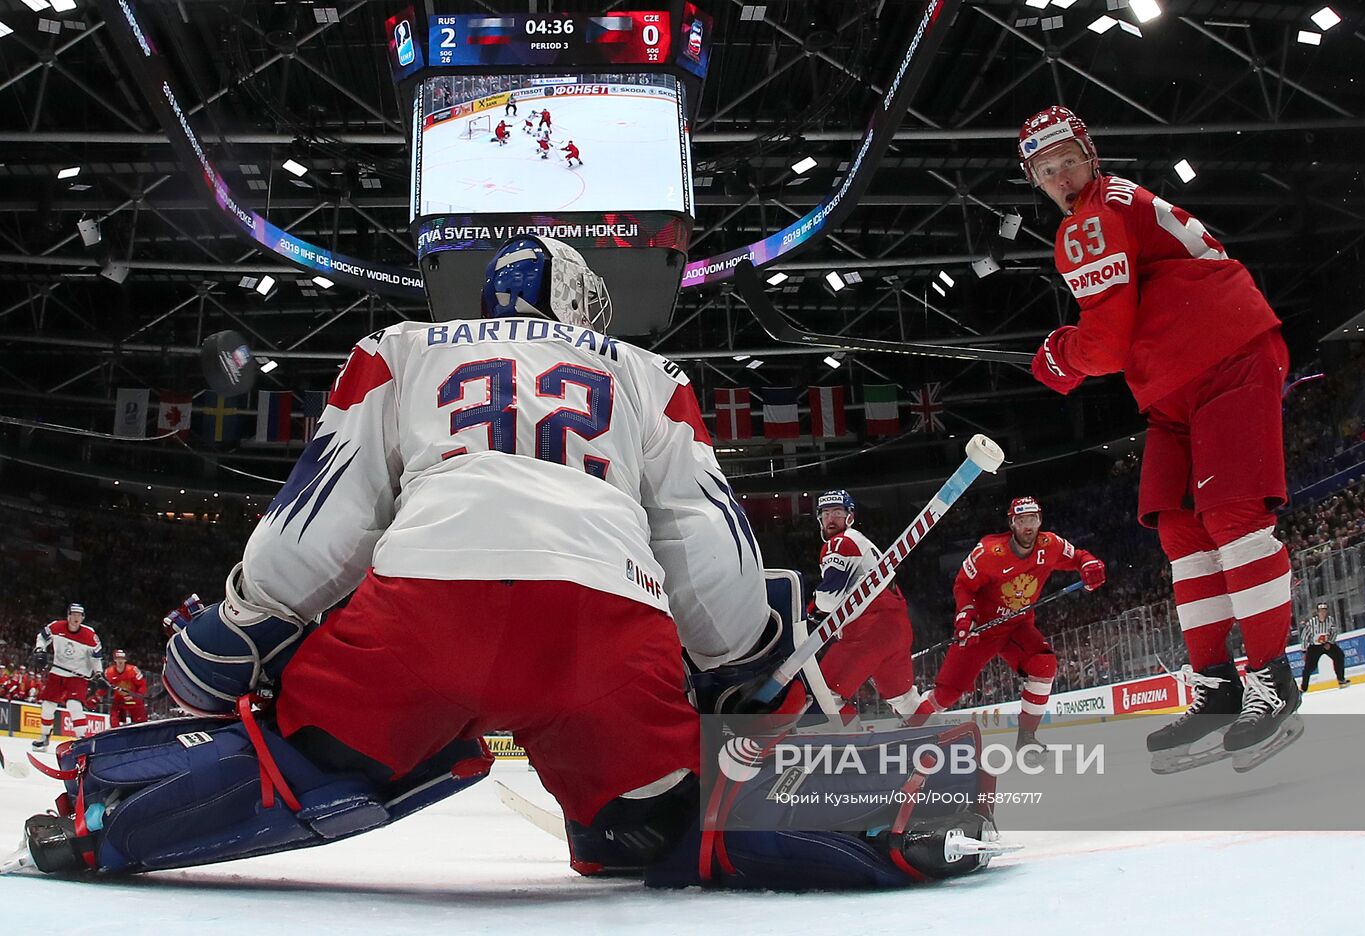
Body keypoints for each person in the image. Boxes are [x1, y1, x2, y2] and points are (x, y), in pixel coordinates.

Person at [15, 237, 1002, 888]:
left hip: (421, 617)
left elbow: (323, 516)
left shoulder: (397, 346)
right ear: (579, 307)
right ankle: (890, 809)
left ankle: (106, 817)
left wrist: (256, 616)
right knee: (657, 820)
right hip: (603, 631)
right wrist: (739, 659)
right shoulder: (648, 373)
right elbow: (709, 551)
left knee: (309, 752)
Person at [1018, 105, 1301, 770]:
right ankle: (1217, 688)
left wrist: (1060, 358)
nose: (1058, 175)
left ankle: (1272, 679)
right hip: (1176, 384)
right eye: (1043, 169)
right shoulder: (1107, 207)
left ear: (1089, 154)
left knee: (1232, 517)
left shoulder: (1092, 219)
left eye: (1065, 160)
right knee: (1178, 525)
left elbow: (1108, 344)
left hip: (1226, 357)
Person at [931, 497, 1105, 761]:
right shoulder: (989, 552)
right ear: (1012, 523)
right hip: (984, 629)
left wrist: (1090, 564)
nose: (1028, 526)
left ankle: (1027, 738)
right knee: (947, 694)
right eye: (1022, 520)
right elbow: (963, 585)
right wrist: (966, 616)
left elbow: (1079, 557)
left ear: (1040, 521)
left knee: (1044, 664)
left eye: (1033, 519)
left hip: (1018, 626)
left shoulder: (1051, 544)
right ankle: (908, 728)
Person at [810, 490, 936, 724]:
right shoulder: (863, 541)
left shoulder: (839, 542)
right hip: (897, 628)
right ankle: (943, 745)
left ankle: (855, 748)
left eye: (837, 512)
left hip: (868, 631)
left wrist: (810, 612)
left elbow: (829, 598)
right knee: (905, 700)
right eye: (826, 513)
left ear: (850, 516)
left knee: (823, 695)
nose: (831, 519)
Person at [31, 603, 103, 750]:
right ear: (68, 615)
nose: (76, 618)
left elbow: (96, 657)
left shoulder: (90, 635)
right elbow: (42, 637)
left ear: (83, 618)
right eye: (73, 614)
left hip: (78, 675)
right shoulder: (56, 627)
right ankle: (44, 736)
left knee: (74, 705)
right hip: (57, 672)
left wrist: (98, 673)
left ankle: (82, 740)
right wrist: (40, 649)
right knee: (47, 706)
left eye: (79, 615)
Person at [1299, 602, 1349, 692]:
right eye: (1321, 611)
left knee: (1339, 655)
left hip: (1326, 644)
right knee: (1309, 667)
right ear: (1317, 612)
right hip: (1314, 647)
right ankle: (1303, 688)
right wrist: (1304, 651)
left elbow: (1334, 631)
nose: (1323, 613)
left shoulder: (1330, 620)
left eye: (1324, 611)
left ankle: (1341, 680)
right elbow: (1305, 636)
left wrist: (1329, 642)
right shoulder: (1311, 623)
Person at [104, 649, 149, 727]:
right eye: (118, 659)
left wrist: (137, 695)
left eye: (122, 659)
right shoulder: (109, 672)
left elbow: (142, 685)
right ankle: (116, 733)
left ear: (125, 660)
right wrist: (97, 696)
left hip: (134, 699)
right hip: (119, 700)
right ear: (114, 660)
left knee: (141, 721)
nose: (120, 661)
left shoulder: (133, 670)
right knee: (114, 716)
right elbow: (104, 687)